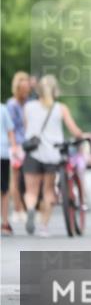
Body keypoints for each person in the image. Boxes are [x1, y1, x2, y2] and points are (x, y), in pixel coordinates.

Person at [22, 75, 91, 236]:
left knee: (31, 191)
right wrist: (83, 135)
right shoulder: (60, 108)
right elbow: (74, 130)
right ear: (55, 90)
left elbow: (27, 129)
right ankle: (44, 227)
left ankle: (31, 209)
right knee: (48, 191)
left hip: (33, 152)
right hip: (53, 154)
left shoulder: (28, 107)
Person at [6, 71, 31, 224]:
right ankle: (17, 209)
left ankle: (27, 207)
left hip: (29, 144)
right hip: (17, 144)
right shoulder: (12, 104)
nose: (26, 91)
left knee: (29, 177)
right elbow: (11, 127)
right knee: (15, 178)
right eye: (23, 88)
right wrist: (14, 146)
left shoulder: (30, 103)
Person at [1, 103, 18, 236]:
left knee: (4, 189)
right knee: (4, 189)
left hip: (3, 153)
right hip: (2, 153)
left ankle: (5, 222)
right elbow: (10, 131)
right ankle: (5, 223)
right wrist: (14, 148)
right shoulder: (2, 109)